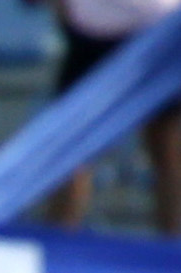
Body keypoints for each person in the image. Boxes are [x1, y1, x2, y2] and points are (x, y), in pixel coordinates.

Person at [48, 0, 181, 235]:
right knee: (69, 156)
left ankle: (173, 255)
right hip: (92, 32)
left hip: (161, 31)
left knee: (169, 150)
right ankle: (58, 251)